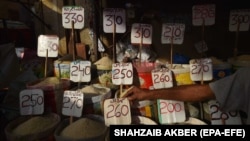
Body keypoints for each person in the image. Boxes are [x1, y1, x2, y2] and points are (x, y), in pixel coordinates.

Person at [123, 67, 250, 124]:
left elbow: (204, 92)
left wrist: (150, 93)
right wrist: (149, 94)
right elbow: (204, 92)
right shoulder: (246, 77)